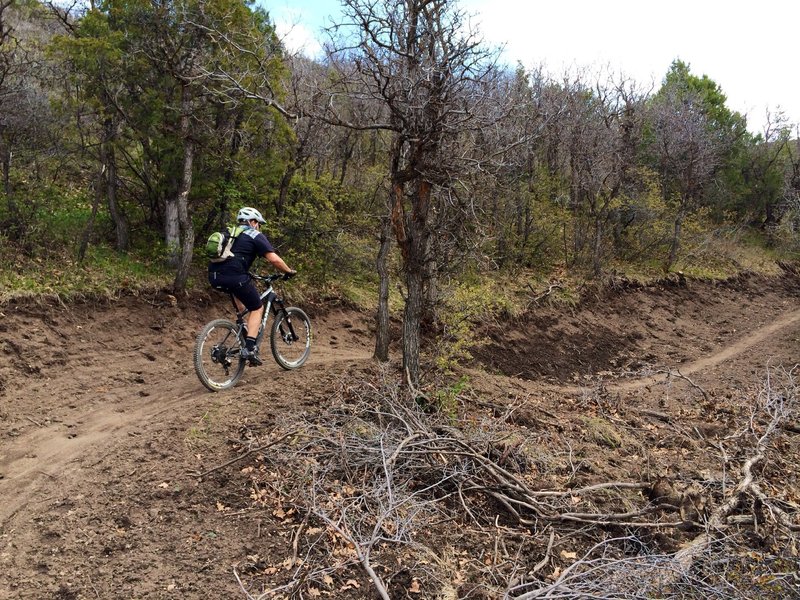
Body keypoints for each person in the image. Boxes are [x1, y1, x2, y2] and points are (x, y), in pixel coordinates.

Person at [208, 207, 296, 366]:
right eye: (259, 223)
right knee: (257, 308)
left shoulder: (230, 232)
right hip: (235, 277)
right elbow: (274, 259)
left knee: (243, 309)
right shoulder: (255, 235)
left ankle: (245, 339)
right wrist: (288, 271)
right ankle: (249, 348)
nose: (259, 227)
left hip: (215, 276)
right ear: (253, 222)